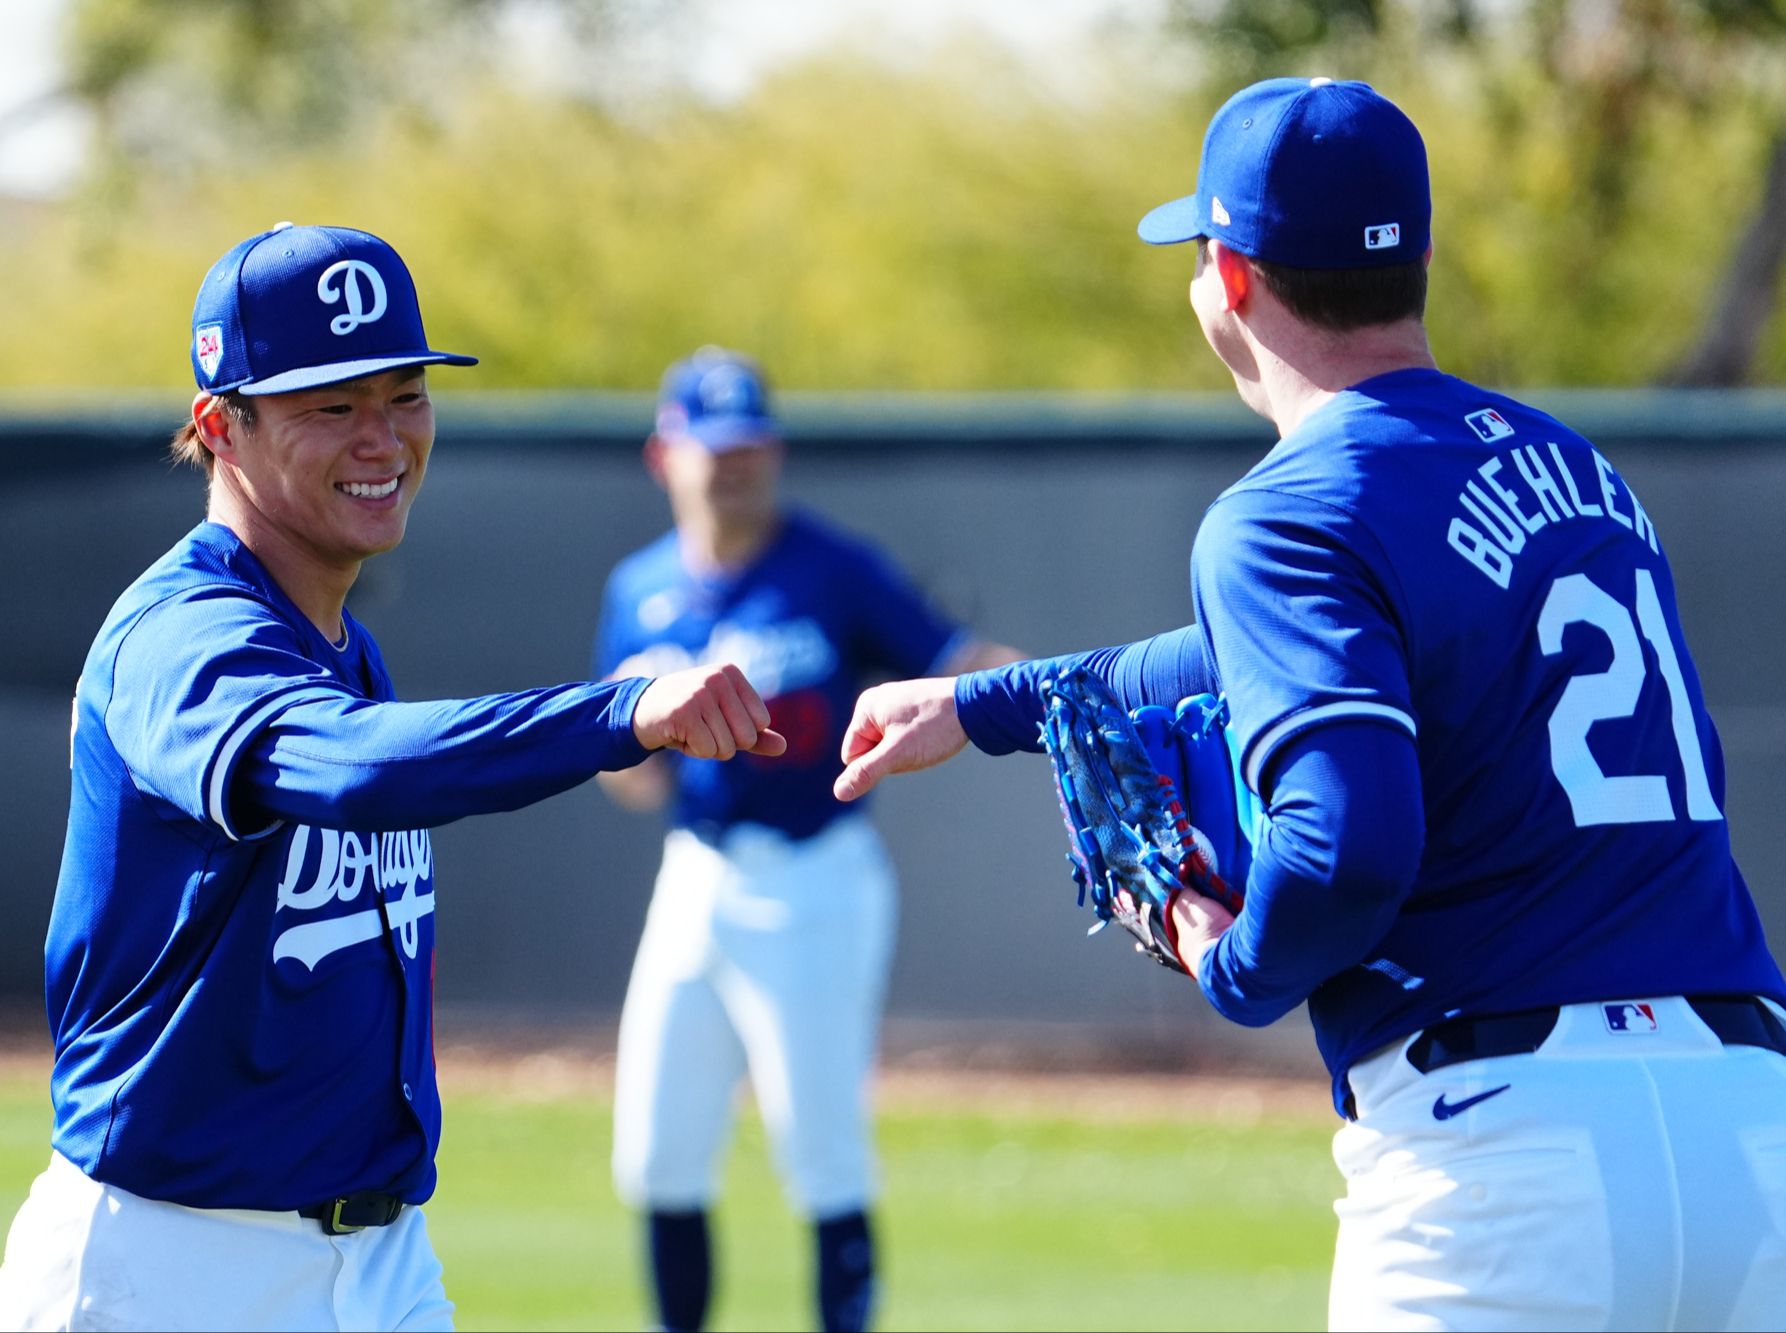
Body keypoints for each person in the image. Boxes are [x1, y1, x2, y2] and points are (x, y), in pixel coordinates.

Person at [831, 78, 1786, 1331]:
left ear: (1226, 276)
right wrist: (987, 701)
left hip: (1503, 1163)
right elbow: (1253, 651)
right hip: (1749, 1126)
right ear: (1421, 258)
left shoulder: (1285, 511)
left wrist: (1225, 959)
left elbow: (1345, 851)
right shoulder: (1574, 466)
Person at [0, 224, 785, 1333]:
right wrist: (619, 713)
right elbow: (351, 768)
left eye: (403, 392)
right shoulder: (182, 638)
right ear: (222, 426)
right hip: (168, 1263)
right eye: (330, 404)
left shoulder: (335, 638)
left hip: (377, 1260)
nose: (382, 437)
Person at [593, 346, 1019, 1333]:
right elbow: (632, 780)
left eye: (749, 445)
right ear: (666, 456)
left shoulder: (834, 568)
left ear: (773, 451)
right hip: (695, 871)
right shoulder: (638, 591)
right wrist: (632, 735)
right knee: (657, 1146)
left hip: (815, 873)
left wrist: (1045, 690)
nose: (733, 465)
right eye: (712, 447)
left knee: (820, 1148)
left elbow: (954, 667)